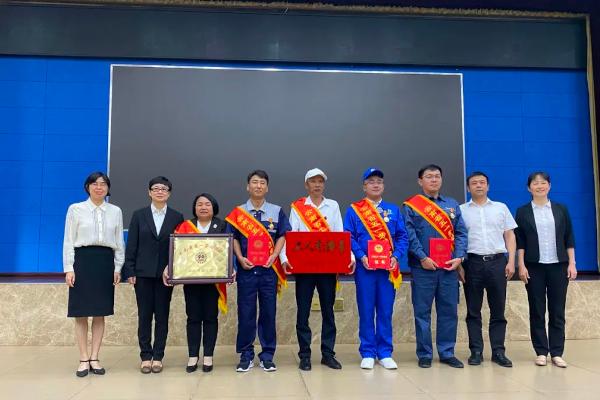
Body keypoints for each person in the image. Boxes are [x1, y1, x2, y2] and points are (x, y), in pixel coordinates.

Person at [280, 168, 356, 371]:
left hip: (327, 267)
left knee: (328, 312)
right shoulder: (298, 207)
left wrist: (349, 257)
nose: (317, 185)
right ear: (306, 185)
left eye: (320, 181)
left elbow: (340, 234)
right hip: (304, 268)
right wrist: (285, 258)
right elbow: (291, 236)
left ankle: (328, 354)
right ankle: (304, 355)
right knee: (303, 312)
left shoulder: (333, 205)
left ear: (324, 184)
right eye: (313, 181)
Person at [343, 167, 409, 370]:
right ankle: (368, 352)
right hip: (365, 268)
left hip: (387, 270)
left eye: (379, 181)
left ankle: (385, 352)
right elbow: (348, 237)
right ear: (364, 187)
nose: (376, 185)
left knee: (385, 311)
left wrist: (396, 256)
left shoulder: (393, 210)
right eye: (371, 182)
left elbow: (402, 237)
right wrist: (361, 256)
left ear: (384, 186)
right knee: (365, 310)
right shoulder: (354, 210)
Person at [225, 170, 291, 372]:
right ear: (248, 186)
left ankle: (267, 355)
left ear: (267, 188)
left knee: (268, 314)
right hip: (247, 271)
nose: (258, 186)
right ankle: (246, 355)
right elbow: (232, 238)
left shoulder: (276, 211)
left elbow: (283, 235)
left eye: (262, 183)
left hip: (269, 272)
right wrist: (239, 257)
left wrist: (275, 255)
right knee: (246, 314)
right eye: (254, 182)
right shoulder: (238, 213)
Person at [403, 164, 468, 369]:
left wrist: (459, 258)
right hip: (423, 268)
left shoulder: (452, 204)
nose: (434, 180)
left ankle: (447, 352)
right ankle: (424, 354)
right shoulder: (412, 205)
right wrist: (422, 257)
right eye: (429, 176)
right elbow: (409, 234)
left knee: (449, 311)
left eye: (437, 176)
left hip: (448, 268)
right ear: (420, 181)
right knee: (422, 312)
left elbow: (461, 233)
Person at [63, 171, 124, 377]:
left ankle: (95, 357)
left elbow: (119, 242)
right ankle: (83, 358)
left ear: (108, 188)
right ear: (87, 187)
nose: (99, 187)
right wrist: (69, 268)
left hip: (105, 262)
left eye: (103, 184)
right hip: (82, 261)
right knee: (80, 313)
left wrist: (118, 267)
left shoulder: (115, 211)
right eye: (95, 184)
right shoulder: (76, 209)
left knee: (100, 312)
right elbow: (68, 241)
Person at [515, 171, 577, 368]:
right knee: (537, 310)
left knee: (557, 311)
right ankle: (541, 351)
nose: (539, 186)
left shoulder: (561, 209)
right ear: (529, 188)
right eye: (535, 183)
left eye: (543, 183)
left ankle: (557, 353)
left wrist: (572, 263)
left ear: (549, 186)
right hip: (534, 266)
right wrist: (521, 265)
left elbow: (569, 237)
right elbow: (520, 241)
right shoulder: (522, 211)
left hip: (559, 265)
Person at [123, 176, 184, 374]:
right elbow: (132, 244)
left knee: (162, 316)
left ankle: (158, 356)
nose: (159, 192)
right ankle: (145, 356)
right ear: (149, 192)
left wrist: (174, 270)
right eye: (156, 188)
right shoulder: (139, 215)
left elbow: (180, 247)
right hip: (142, 274)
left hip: (165, 276)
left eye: (164, 189)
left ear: (169, 193)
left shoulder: (177, 217)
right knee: (144, 316)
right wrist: (130, 269)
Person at [161, 193, 228, 373]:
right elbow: (176, 251)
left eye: (207, 204)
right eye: (199, 204)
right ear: (194, 207)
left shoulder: (222, 225)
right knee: (193, 317)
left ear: (214, 207)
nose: (203, 207)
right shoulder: (185, 226)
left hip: (213, 280)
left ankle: (208, 356)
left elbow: (228, 250)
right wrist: (170, 267)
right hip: (191, 279)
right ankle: (193, 356)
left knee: (210, 317)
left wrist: (231, 268)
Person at [459, 171, 517, 367]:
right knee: (473, 310)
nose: (478, 185)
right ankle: (476, 351)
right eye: (474, 183)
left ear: (488, 186)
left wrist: (511, 261)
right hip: (472, 263)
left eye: (482, 182)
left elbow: (509, 235)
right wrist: (459, 264)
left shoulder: (501, 208)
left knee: (498, 310)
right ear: (468, 188)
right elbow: (457, 239)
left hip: (497, 262)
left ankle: (498, 351)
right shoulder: (461, 210)